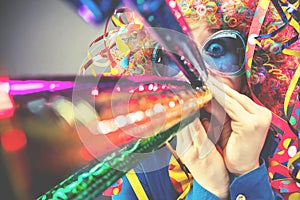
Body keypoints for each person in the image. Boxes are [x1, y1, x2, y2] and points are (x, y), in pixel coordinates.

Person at [85, 0, 299, 199]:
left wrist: (246, 170)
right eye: (172, 58)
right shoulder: (135, 165)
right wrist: (210, 188)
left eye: (217, 49)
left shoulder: (291, 156)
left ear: (251, 67)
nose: (197, 76)